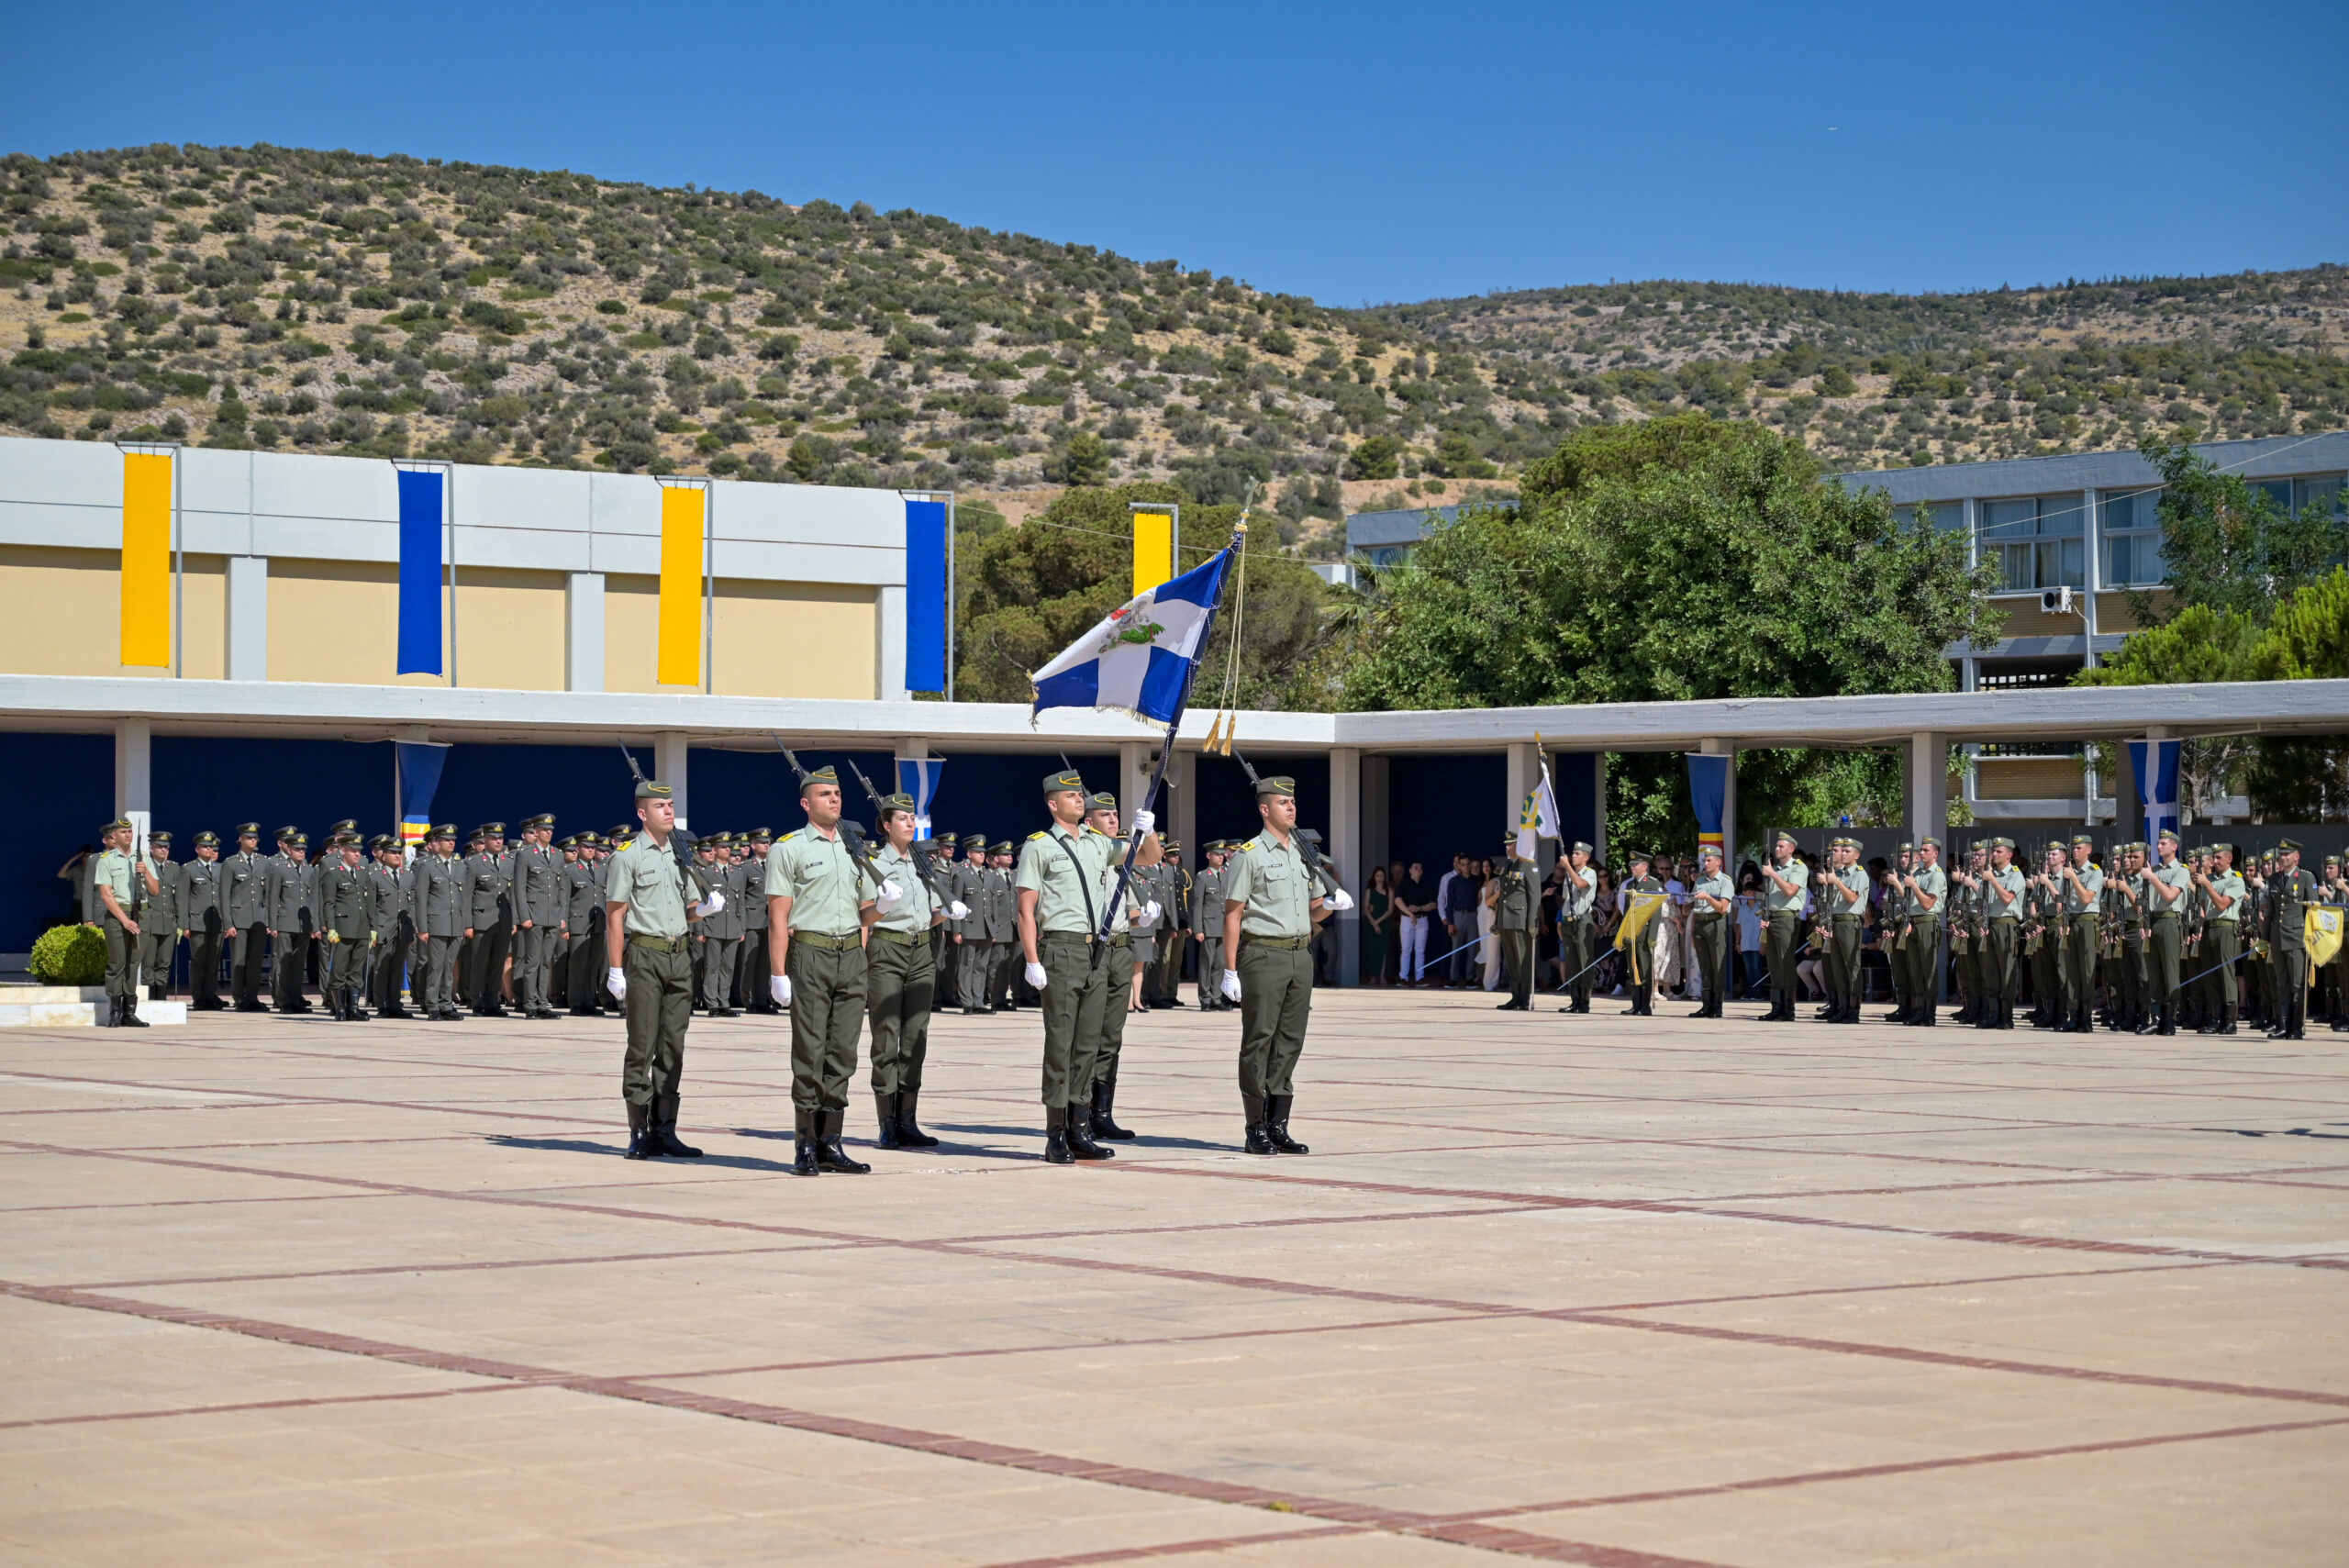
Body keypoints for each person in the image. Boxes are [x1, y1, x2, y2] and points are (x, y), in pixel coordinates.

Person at [1016, 768, 1157, 1164]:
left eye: (1080, 795)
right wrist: (1032, 960)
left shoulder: (1098, 844)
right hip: (1061, 949)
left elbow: (1147, 857)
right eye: (1070, 795)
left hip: (1098, 952)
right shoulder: (1039, 846)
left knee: (1088, 1045)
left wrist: (1147, 831)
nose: (1079, 799)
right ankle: (1055, 1134)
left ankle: (1080, 1129)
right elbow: (1025, 910)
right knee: (1061, 1044)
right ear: (1052, 804)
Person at [767, 765, 880, 1175]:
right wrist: (778, 973)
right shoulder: (789, 848)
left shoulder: (854, 847)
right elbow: (778, 916)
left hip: (850, 954)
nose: (834, 799)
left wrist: (883, 906)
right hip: (811, 952)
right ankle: (806, 1146)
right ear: (806, 803)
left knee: (843, 1052)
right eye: (824, 794)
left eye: (837, 793)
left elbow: (865, 912)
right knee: (810, 1051)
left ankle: (831, 1142)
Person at [607, 779, 712, 1161]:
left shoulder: (681, 854)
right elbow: (615, 916)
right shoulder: (628, 856)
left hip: (680, 956)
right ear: (642, 813)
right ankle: (639, 1132)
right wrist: (616, 969)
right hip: (646, 955)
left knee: (672, 1047)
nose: (668, 811)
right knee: (642, 1045)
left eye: (670, 805)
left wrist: (703, 910)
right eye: (660, 806)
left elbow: (689, 910)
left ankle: (665, 1131)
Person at [1221, 773, 1322, 1154]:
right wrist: (1230, 970)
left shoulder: (1303, 852)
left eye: (1292, 801)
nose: (1291, 807)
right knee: (1259, 1040)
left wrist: (1329, 906)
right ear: (1265, 809)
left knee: (1290, 1040)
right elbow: (1233, 914)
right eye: (1283, 802)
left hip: (1300, 954)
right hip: (1263, 955)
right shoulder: (1249, 855)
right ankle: (1256, 1126)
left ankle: (1279, 1124)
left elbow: (1314, 909)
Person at [866, 791, 945, 1150]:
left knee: (916, 1036)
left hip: (922, 950)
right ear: (886, 825)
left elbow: (932, 913)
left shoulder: (921, 862)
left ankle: (907, 1121)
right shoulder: (874, 863)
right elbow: (865, 914)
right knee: (886, 1035)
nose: (910, 823)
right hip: (887, 948)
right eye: (902, 818)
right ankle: (887, 1124)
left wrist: (947, 912)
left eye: (912, 818)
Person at [89, 819, 145, 1028]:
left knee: (133, 964)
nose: (128, 835)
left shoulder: (142, 858)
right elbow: (106, 895)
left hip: (140, 913)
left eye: (130, 831)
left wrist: (145, 871)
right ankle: (114, 1012)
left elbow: (155, 890)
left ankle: (129, 1013)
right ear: (114, 835)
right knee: (117, 963)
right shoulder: (106, 860)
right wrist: (125, 920)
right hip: (118, 915)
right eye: (123, 831)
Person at [409, 826, 467, 1021]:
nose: (451, 843)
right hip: (437, 923)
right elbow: (421, 898)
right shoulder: (428, 866)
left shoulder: (459, 866)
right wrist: (422, 927)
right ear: (437, 843)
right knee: (435, 966)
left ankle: (446, 1004)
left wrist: (464, 924)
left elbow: (464, 898)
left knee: (449, 967)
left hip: (455, 923)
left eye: (453, 840)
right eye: (446, 840)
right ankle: (432, 1004)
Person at [317, 834, 373, 1021]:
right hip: (343, 928)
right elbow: (329, 903)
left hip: (362, 928)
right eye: (353, 851)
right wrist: (331, 927)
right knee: (339, 969)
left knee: (356, 970)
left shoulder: (362, 872)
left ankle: (353, 1008)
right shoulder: (333, 873)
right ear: (343, 851)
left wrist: (372, 927)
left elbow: (369, 902)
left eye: (359, 851)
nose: (357, 854)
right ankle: (339, 1008)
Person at [1758, 832, 1808, 1021]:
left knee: (1785, 962)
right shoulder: (1776, 868)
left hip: (1787, 918)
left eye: (1781, 846)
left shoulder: (1798, 867)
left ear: (1791, 849)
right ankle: (1776, 1007)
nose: (1777, 849)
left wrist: (1772, 874)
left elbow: (1790, 890)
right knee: (1773, 964)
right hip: (1772, 917)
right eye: (1776, 846)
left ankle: (1788, 1008)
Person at [265, 830, 316, 1015]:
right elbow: (273, 898)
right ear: (290, 850)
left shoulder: (310, 870)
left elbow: (314, 899)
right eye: (297, 849)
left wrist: (315, 925)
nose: (301, 852)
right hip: (285, 922)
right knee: (284, 963)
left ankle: (296, 999)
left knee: (298, 964)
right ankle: (283, 1000)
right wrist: (272, 924)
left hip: (304, 924)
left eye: (303, 849)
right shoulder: (280, 869)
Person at [2196, 842, 2244, 1036]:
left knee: (2226, 973)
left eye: (2218, 858)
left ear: (2229, 859)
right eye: (2213, 858)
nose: (2215, 861)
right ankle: (2214, 1017)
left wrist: (2207, 885)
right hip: (2210, 927)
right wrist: (2200, 928)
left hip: (2226, 927)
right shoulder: (2210, 879)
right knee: (2210, 974)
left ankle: (2230, 1020)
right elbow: (2203, 906)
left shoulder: (2235, 880)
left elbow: (2223, 904)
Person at [180, 830, 227, 1010]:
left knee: (213, 961)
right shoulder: (189, 869)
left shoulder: (220, 868)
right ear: (197, 849)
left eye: (211, 847)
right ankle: (198, 997)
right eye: (205, 846)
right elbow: (183, 898)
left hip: (217, 921)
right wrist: (185, 924)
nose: (209, 849)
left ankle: (210, 995)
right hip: (197, 922)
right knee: (199, 961)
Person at [1488, 840, 1537, 1010]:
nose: (1508, 848)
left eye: (1512, 845)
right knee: (1511, 962)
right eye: (1507, 845)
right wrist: (1497, 922)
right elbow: (1503, 897)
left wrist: (1532, 921)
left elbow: (1534, 896)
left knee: (1523, 962)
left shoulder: (1529, 866)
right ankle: (1515, 997)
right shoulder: (1508, 865)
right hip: (1506, 920)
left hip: (1520, 920)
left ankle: (1524, 999)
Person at [1687, 844, 1733, 1018]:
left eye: (1709, 860)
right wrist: (1693, 931)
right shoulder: (1700, 881)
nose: (1705, 864)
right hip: (1700, 923)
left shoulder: (1725, 881)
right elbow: (1694, 907)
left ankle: (1717, 1007)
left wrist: (1707, 898)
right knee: (1705, 966)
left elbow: (1723, 907)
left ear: (1718, 862)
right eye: (1704, 861)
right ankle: (1706, 1005)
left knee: (1717, 965)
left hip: (1716, 923)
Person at [137, 830, 179, 1003]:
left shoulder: (174, 868)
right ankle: (149, 998)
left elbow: (178, 898)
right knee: (148, 963)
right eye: (160, 846)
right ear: (151, 848)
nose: (163, 850)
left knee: (164, 962)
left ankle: (161, 998)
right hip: (150, 921)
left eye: (166, 847)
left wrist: (180, 922)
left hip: (168, 922)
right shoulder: (145, 866)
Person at [1555, 841, 1598, 1013]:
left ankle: (1584, 1002)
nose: (1573, 856)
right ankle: (1574, 1000)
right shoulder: (1569, 874)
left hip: (1582, 921)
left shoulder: (1590, 873)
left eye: (1577, 854)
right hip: (1569, 921)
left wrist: (1567, 866)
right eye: (1573, 853)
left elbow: (1580, 884)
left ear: (1586, 857)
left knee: (1584, 961)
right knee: (1571, 962)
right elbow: (1566, 898)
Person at [1193, 840, 1231, 1007]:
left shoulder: (1226, 874)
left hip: (1223, 926)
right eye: (1217, 854)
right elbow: (1197, 905)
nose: (1221, 857)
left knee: (1220, 964)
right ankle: (1205, 998)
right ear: (1209, 855)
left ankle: (1217, 997)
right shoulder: (1203, 876)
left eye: (1222, 855)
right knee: (1206, 964)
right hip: (1208, 926)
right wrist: (1198, 929)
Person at [1363, 864, 1393, 986]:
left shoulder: (1389, 891)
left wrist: (1378, 922)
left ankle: (1382, 976)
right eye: (1377, 876)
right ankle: (1372, 977)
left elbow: (1390, 910)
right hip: (1371, 923)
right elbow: (1366, 909)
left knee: (1383, 950)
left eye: (1382, 876)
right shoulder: (1369, 890)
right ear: (1374, 877)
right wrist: (1373, 923)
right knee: (1372, 950)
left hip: (1384, 922)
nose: (1380, 878)